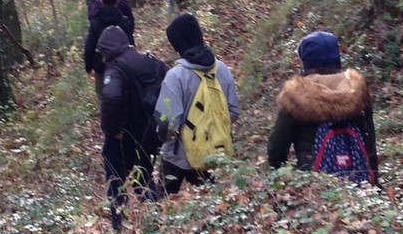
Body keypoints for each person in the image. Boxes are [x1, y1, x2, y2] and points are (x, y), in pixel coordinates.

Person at [267, 31, 378, 180]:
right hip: (359, 182)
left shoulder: (297, 96)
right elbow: (369, 142)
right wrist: (374, 178)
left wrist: (283, 178)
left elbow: (277, 148)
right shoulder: (357, 90)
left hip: (316, 184)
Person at [156, 13, 241, 194]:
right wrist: (210, 131)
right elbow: (233, 110)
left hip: (176, 156)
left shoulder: (175, 76)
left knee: (164, 201)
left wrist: (168, 139)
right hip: (212, 152)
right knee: (210, 200)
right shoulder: (222, 69)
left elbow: (169, 122)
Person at [97, 25, 169, 231]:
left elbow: (111, 97)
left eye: (103, 53)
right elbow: (171, 83)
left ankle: (119, 226)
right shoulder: (151, 61)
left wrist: (111, 131)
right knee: (144, 176)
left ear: (108, 50)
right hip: (152, 132)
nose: (102, 58)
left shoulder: (115, 69)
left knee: (115, 179)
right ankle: (156, 218)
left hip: (125, 136)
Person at [84, 0, 135, 98]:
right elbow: (131, 45)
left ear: (101, 2)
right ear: (117, 1)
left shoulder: (95, 23)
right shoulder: (125, 22)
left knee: (105, 97)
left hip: (103, 67)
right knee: (128, 96)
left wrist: (89, 67)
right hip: (125, 65)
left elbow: (89, 47)